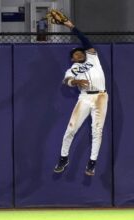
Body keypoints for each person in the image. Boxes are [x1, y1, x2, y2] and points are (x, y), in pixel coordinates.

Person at [53, 19, 108, 176]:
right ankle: (64, 157)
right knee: (71, 128)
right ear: (73, 59)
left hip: (101, 96)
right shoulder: (74, 68)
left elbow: (85, 40)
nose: (79, 53)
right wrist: (76, 81)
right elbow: (67, 81)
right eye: (76, 54)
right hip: (84, 98)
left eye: (80, 52)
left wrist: (71, 26)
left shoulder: (92, 58)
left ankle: (92, 163)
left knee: (97, 130)